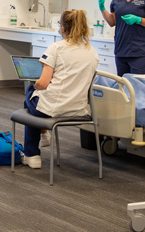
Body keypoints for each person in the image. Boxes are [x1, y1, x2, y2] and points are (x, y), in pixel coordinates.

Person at [21, 9, 99, 169]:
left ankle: (32, 153)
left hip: (51, 109)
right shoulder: (92, 52)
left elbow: (42, 84)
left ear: (63, 28)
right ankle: (41, 135)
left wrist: (32, 84)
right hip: (78, 109)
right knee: (34, 99)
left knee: (30, 94)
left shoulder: (56, 48)